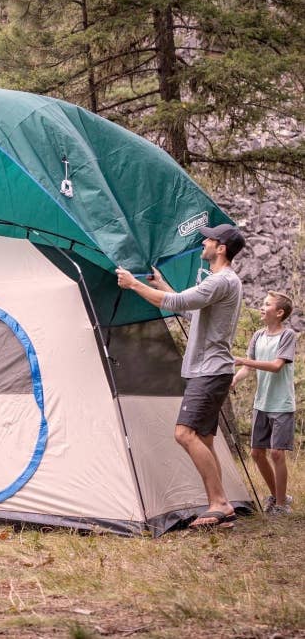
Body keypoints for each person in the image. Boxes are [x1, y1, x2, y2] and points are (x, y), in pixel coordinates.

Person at [116, 223, 245, 529]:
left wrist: (133, 284)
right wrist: (161, 285)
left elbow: (176, 304)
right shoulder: (222, 281)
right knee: (203, 438)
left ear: (221, 248)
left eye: (208, 240)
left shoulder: (221, 281)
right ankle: (222, 505)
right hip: (212, 370)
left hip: (209, 372)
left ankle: (218, 502)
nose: (204, 243)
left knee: (184, 434)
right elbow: (190, 310)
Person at [231, 291, 296, 515]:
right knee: (257, 454)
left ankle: (280, 506)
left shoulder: (287, 336)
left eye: (266, 304)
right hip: (261, 404)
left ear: (279, 313)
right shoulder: (258, 336)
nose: (261, 307)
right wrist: (234, 379)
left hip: (282, 405)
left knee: (277, 453)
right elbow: (247, 369)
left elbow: (277, 365)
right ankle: (278, 496)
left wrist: (243, 359)